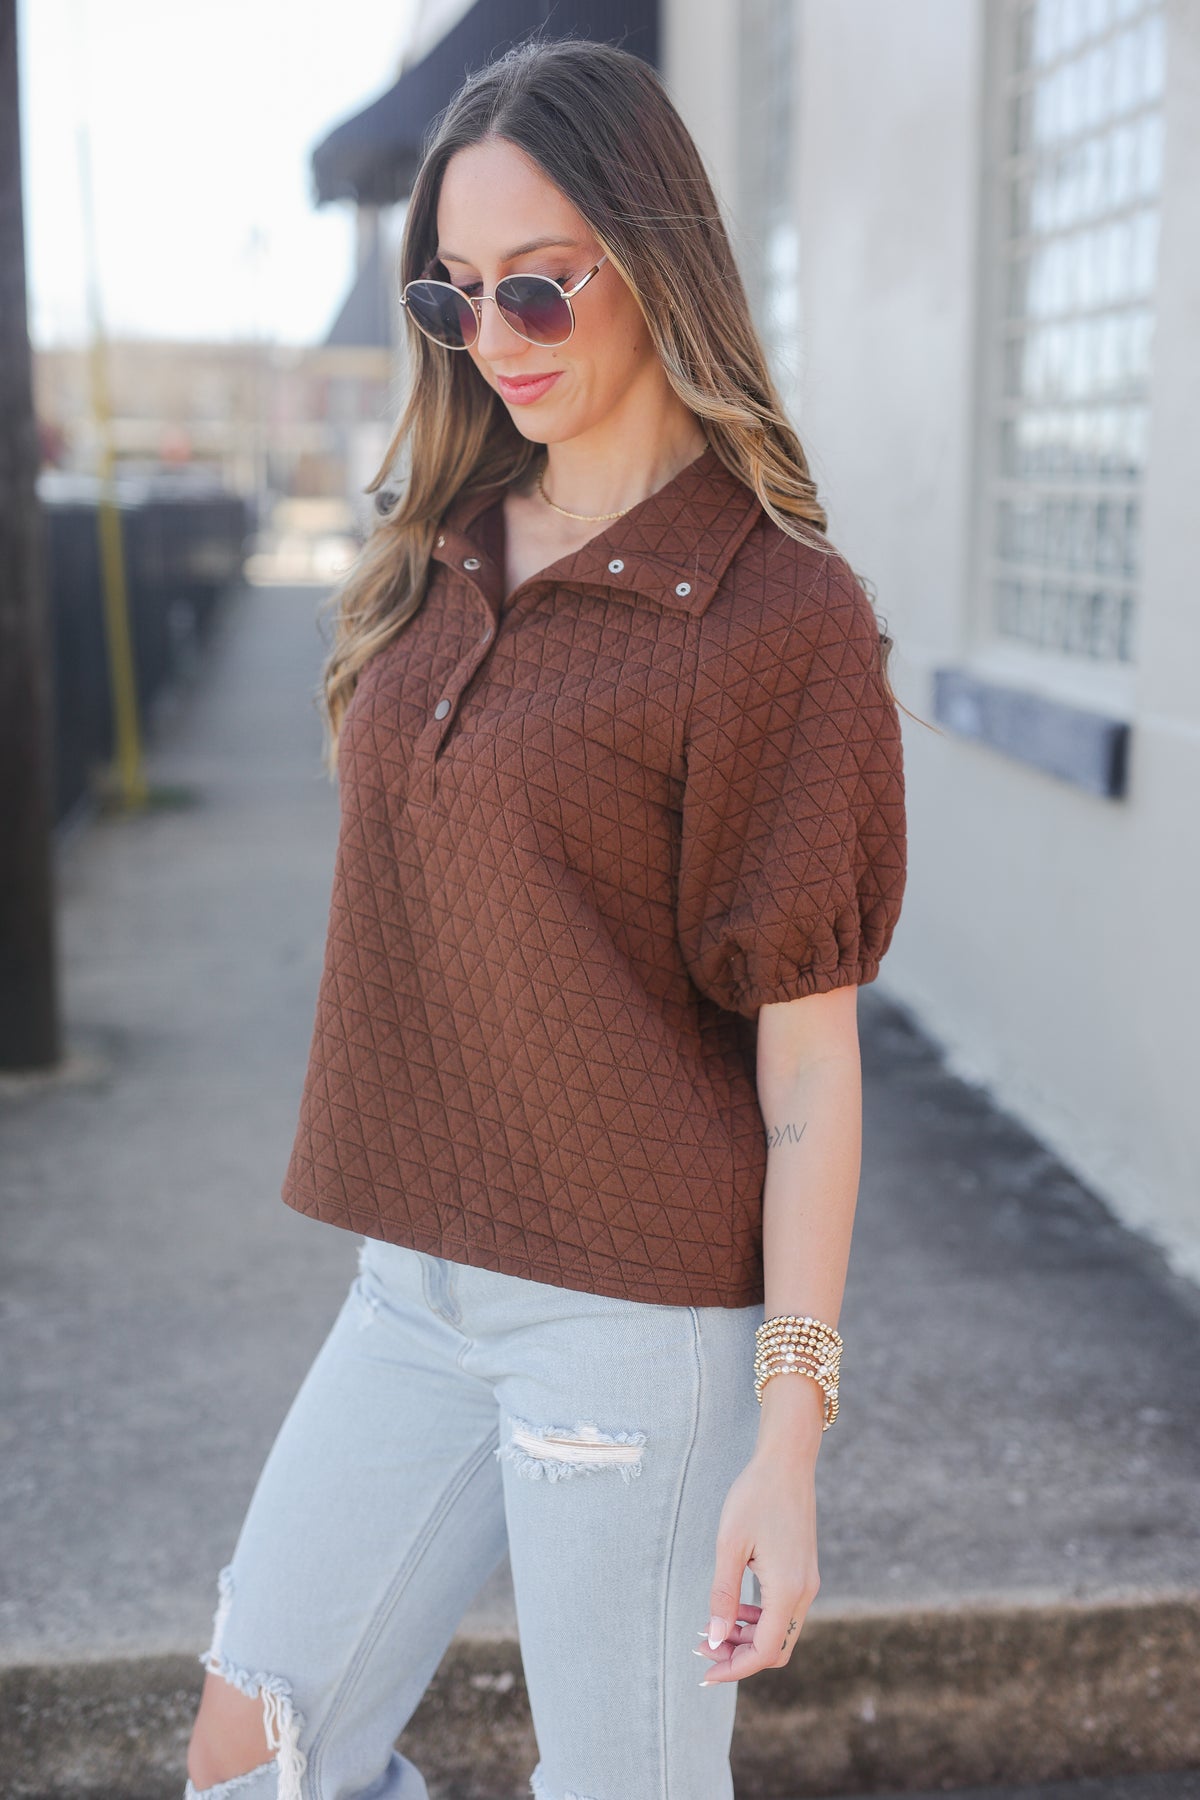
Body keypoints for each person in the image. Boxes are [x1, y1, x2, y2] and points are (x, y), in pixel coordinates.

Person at [182, 33, 907, 1800]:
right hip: (410, 1291)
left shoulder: (777, 620)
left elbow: (808, 1074)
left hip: (635, 1329)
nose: (496, 341)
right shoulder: (440, 544)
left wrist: (787, 1441)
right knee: (252, 1763)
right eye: (455, 300)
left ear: (658, 260)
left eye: (539, 290)